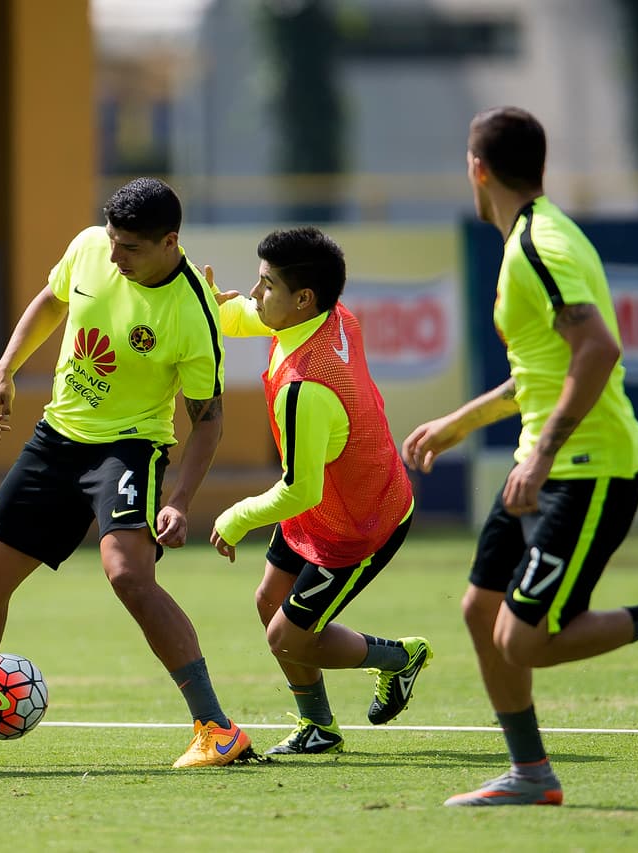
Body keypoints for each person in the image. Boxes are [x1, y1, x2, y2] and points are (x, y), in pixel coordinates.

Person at [402, 106, 638, 806]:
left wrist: (541, 456)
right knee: (480, 610)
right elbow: (542, 370)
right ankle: (531, 773)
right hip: (544, 462)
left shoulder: (540, 246)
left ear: (477, 169)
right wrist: (460, 422)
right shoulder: (532, 238)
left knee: (522, 640)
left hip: (590, 468)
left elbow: (598, 351)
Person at [0, 176, 256, 769]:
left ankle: (217, 728)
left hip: (127, 450)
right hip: (56, 440)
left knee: (128, 575)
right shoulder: (89, 247)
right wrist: (6, 370)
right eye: (112, 241)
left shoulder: (194, 315)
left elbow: (208, 419)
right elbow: (52, 301)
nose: (114, 254)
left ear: (169, 242)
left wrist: (180, 498)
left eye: (129, 247)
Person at [207, 226, 431, 755]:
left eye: (265, 285)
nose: (254, 294)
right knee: (269, 601)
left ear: (302, 298)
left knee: (286, 637)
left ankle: (400, 658)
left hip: (360, 522)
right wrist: (209, 307)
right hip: (332, 499)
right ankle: (319, 727)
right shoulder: (331, 315)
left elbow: (298, 490)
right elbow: (249, 315)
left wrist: (235, 517)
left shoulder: (304, 389)